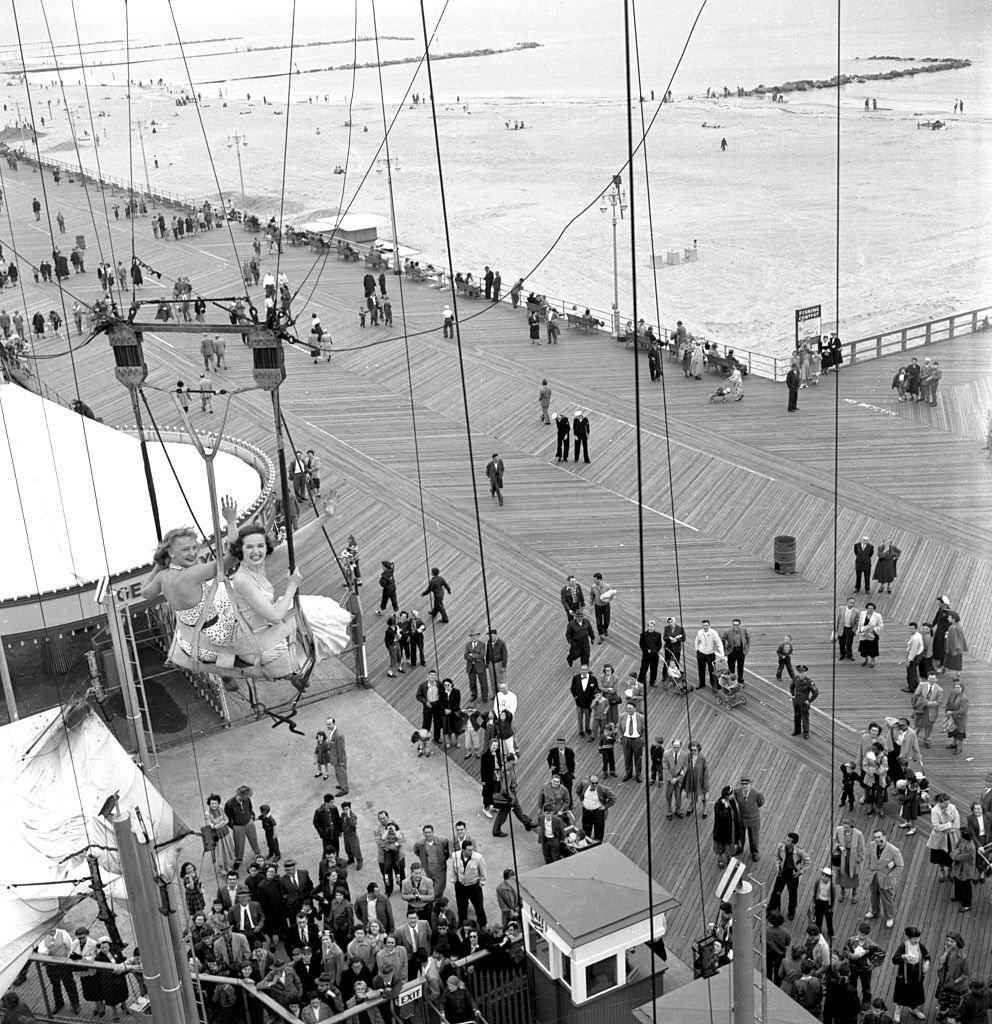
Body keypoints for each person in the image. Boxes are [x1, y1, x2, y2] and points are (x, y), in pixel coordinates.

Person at [228, 519, 352, 679]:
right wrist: (292, 586)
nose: (256, 551)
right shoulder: (242, 579)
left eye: (260, 546)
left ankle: (303, 662)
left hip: (267, 621)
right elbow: (275, 616)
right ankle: (296, 668)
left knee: (319, 610)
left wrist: (324, 517)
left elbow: (293, 543)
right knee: (317, 624)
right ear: (241, 549)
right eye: (249, 547)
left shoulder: (256, 565)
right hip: (260, 638)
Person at [865, 828, 903, 928]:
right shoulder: (871, 845)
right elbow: (869, 859)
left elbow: (900, 866)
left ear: (884, 837)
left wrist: (891, 876)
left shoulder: (893, 850)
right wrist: (868, 871)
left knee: (887, 899)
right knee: (873, 895)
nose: (877, 839)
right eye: (875, 837)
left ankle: (889, 917)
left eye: (879, 837)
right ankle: (874, 911)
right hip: (874, 876)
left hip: (886, 879)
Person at [768, 832, 810, 920]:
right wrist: (778, 864)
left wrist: (800, 871)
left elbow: (808, 862)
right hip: (782, 872)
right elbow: (777, 857)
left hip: (793, 874)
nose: (785, 841)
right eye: (786, 839)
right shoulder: (781, 847)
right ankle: (772, 909)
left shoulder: (799, 851)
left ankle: (791, 912)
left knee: (792, 894)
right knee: (776, 892)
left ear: (793, 843)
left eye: (788, 840)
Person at [891, 927, 930, 1022]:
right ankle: (898, 1011)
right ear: (909, 938)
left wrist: (927, 963)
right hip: (904, 976)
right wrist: (903, 956)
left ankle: (913, 1008)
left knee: (914, 992)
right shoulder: (903, 946)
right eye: (914, 938)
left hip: (916, 974)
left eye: (918, 938)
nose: (917, 940)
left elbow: (927, 955)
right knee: (901, 993)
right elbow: (894, 960)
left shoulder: (920, 946)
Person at [575, 773, 615, 842]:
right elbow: (578, 790)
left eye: (596, 783)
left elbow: (613, 798)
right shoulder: (584, 784)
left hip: (598, 812)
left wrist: (605, 806)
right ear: (589, 782)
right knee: (586, 828)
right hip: (586, 811)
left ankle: (598, 842)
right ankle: (586, 842)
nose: (595, 785)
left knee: (599, 829)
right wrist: (582, 799)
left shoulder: (603, 789)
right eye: (593, 783)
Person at [733, 776, 764, 861]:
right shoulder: (737, 792)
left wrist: (752, 810)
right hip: (741, 818)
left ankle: (754, 852)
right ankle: (740, 848)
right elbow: (735, 799)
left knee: (754, 837)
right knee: (740, 836)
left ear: (750, 784)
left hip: (753, 819)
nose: (744, 786)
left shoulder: (757, 794)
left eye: (746, 784)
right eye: (743, 784)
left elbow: (761, 802)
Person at [712, 786, 742, 868]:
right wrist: (725, 807)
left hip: (730, 829)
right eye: (731, 794)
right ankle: (720, 861)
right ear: (726, 795)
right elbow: (722, 817)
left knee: (729, 847)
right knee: (720, 848)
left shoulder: (731, 801)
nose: (733, 796)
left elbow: (735, 813)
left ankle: (730, 860)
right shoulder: (718, 804)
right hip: (721, 831)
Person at [694, 619, 725, 689]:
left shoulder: (713, 633)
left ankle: (714, 685)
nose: (705, 627)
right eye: (703, 625)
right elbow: (696, 641)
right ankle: (701, 683)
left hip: (710, 654)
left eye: (706, 625)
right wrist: (697, 650)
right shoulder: (700, 632)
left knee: (712, 670)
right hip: (701, 654)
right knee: (701, 669)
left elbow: (719, 643)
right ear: (702, 626)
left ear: (709, 625)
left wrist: (722, 654)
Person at [790, 665, 818, 738]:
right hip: (796, 701)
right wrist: (793, 695)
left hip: (804, 702)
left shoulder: (809, 681)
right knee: (796, 716)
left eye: (803, 672)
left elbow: (815, 692)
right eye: (800, 672)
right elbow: (791, 687)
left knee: (805, 717)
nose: (801, 674)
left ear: (805, 672)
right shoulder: (795, 678)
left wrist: (809, 701)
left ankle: (806, 732)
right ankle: (797, 730)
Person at [944, 681, 969, 754]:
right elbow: (948, 703)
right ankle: (954, 744)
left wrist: (952, 712)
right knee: (953, 731)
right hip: (952, 717)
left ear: (962, 688)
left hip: (960, 718)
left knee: (960, 733)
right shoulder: (952, 694)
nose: (956, 689)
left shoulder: (964, 698)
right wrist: (947, 711)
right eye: (955, 687)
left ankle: (959, 748)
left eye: (958, 687)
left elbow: (963, 710)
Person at [857, 602, 883, 668]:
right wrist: (858, 631)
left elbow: (881, 625)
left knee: (872, 649)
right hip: (863, 634)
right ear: (866, 608)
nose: (870, 609)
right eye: (869, 608)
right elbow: (860, 623)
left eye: (871, 608)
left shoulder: (878, 616)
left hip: (872, 634)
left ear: (874, 609)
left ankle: (872, 661)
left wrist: (874, 629)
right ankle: (865, 660)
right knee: (863, 648)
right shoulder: (862, 613)